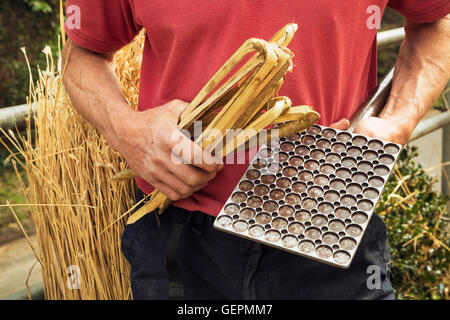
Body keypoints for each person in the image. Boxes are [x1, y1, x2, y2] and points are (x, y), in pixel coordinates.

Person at [62, 1, 450, 299]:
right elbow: (81, 55)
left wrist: (396, 120)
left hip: (329, 221)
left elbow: (437, 19)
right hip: (178, 238)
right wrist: (129, 131)